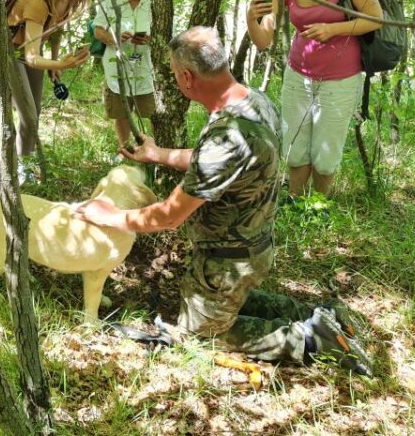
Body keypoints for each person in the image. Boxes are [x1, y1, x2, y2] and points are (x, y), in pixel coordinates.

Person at [76, 26, 372, 376]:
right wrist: (158, 154)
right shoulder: (252, 101)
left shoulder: (225, 137)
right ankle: (318, 313)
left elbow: (169, 216)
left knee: (197, 336)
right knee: (226, 303)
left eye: (174, 75)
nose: (176, 81)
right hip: (252, 248)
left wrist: (110, 216)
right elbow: (217, 161)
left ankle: (310, 338)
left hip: (228, 262)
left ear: (187, 76)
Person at [246, 0, 383, 197]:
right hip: (298, 75)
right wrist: (251, 19)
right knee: (295, 150)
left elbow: (375, 19)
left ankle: (319, 206)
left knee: (325, 153)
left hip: (340, 79)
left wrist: (332, 29)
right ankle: (297, 203)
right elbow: (263, 40)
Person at [7, 0, 101, 184]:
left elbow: (55, 31)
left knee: (34, 112)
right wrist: (61, 64)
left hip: (31, 49)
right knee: (28, 116)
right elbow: (29, 56)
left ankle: (24, 162)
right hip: (9, 51)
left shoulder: (69, 0)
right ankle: (19, 169)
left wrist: (52, 64)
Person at [93, 0, 157, 150]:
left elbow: (166, 33)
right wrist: (114, 40)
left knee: (152, 113)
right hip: (117, 70)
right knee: (121, 112)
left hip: (147, 69)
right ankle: (125, 149)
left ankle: (155, 150)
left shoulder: (156, 1)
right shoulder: (111, 1)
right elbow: (98, 30)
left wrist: (150, 39)